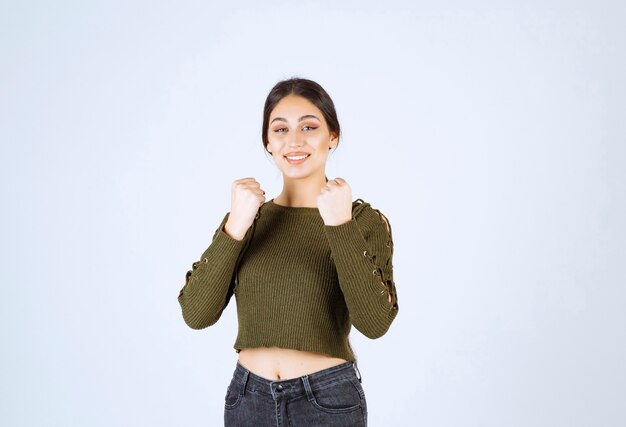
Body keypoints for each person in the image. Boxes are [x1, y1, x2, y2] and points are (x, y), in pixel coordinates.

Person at [177, 77, 399, 426]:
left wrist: (339, 227)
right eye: (280, 129)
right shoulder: (248, 217)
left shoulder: (359, 220)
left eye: (309, 127)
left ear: (333, 136)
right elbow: (196, 314)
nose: (294, 141)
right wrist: (235, 225)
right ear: (268, 142)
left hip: (327, 401)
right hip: (248, 400)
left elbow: (374, 324)